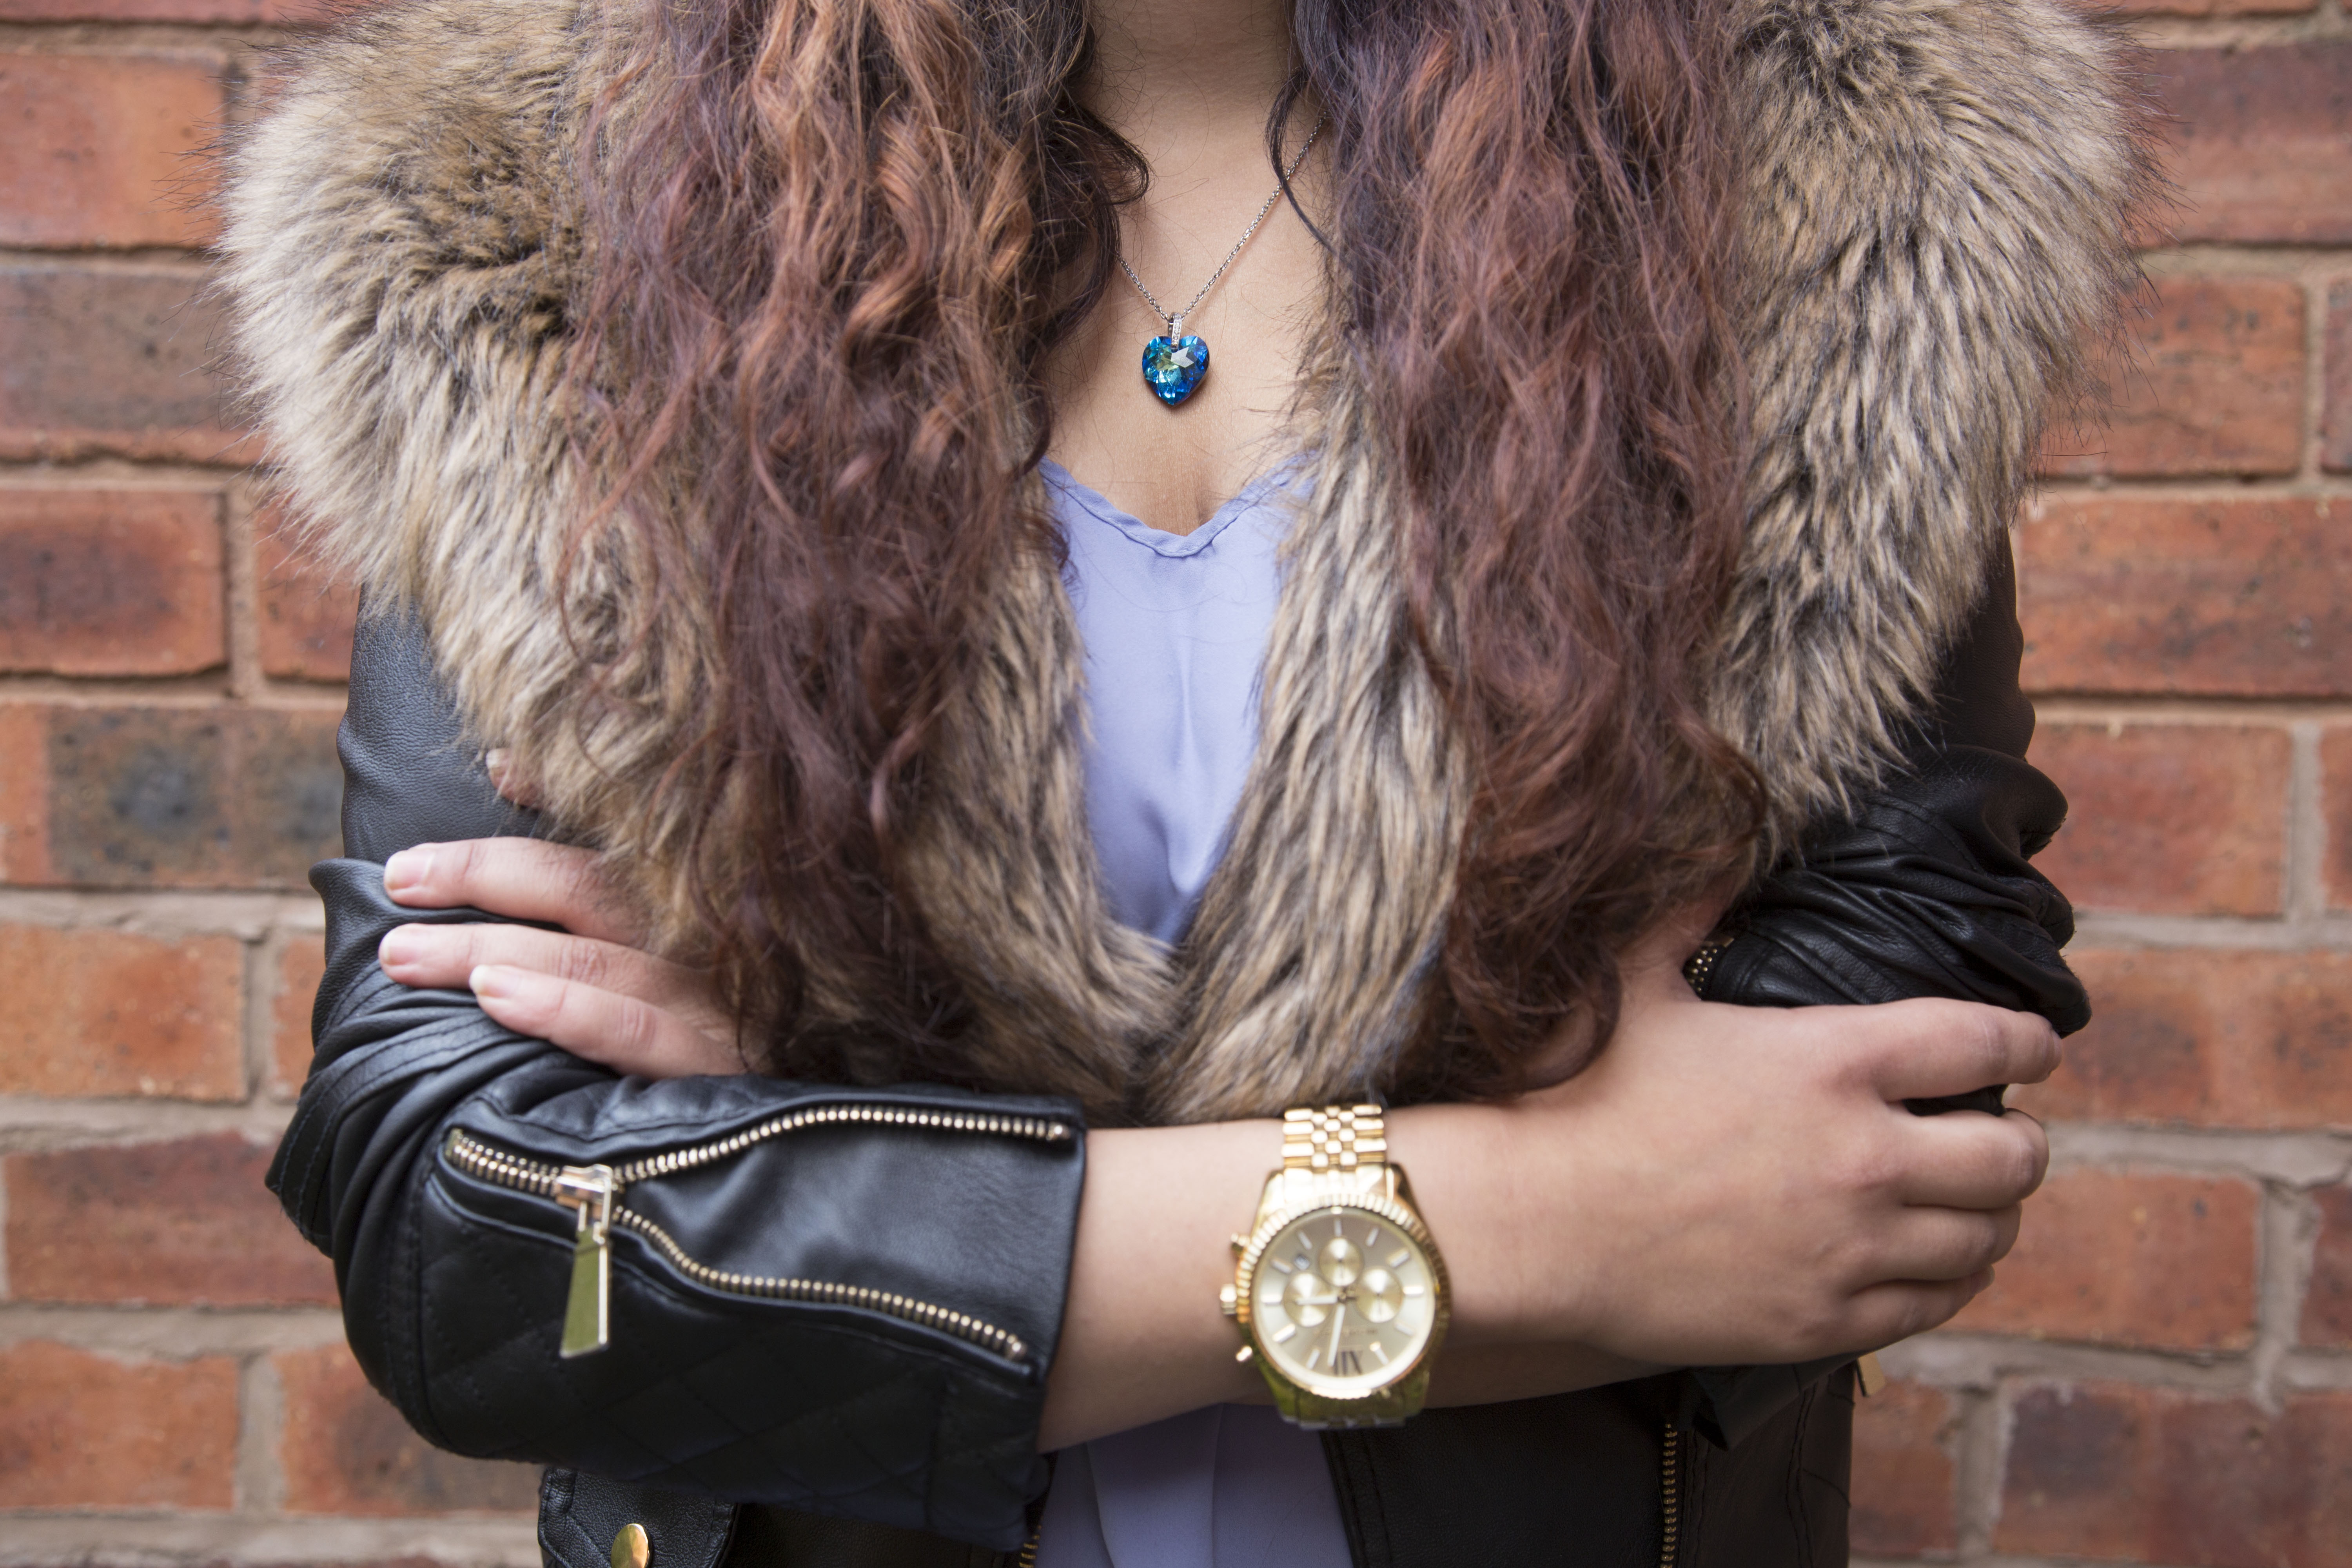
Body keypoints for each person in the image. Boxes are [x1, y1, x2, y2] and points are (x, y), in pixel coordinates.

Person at [220, 0, 2141, 1560]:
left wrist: (833, 1101)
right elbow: (474, 1245)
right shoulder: (532, 209)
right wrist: (1549, 1217)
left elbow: (1864, 1167)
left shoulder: (1831, 181)